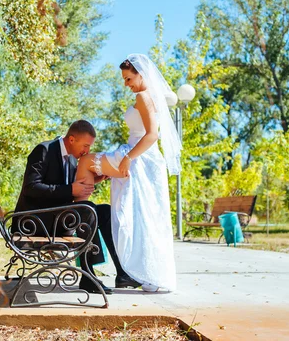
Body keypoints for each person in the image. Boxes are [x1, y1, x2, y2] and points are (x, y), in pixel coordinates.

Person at [75, 53, 179, 293]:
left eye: (129, 78)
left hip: (137, 156)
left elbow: (152, 135)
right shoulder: (145, 96)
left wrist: (129, 159)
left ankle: (75, 219)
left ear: (142, 75)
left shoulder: (144, 96)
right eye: (124, 79)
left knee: (87, 161)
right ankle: (127, 272)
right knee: (141, 217)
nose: (126, 84)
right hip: (139, 156)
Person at [13, 120, 140, 295]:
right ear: (72, 139)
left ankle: (123, 272)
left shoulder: (73, 160)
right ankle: (87, 276)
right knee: (87, 209)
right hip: (34, 221)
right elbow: (31, 187)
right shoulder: (44, 150)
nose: (87, 151)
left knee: (104, 211)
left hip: (55, 218)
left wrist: (95, 180)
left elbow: (68, 191)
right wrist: (70, 189)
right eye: (86, 145)